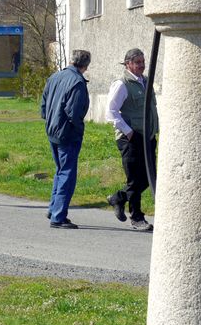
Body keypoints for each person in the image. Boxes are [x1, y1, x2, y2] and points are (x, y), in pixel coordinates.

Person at [105, 48, 158, 232]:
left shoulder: (146, 81)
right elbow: (111, 112)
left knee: (149, 178)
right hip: (131, 138)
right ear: (128, 64)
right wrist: (128, 133)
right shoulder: (122, 84)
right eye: (137, 62)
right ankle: (136, 218)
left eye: (143, 62)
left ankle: (118, 198)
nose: (141, 65)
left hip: (148, 136)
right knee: (135, 179)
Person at [41, 50, 92, 229]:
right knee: (67, 174)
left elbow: (43, 104)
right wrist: (79, 129)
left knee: (60, 171)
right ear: (86, 65)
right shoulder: (77, 82)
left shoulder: (55, 77)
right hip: (67, 133)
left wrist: (49, 120)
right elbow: (74, 112)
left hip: (52, 129)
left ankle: (54, 209)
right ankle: (58, 216)